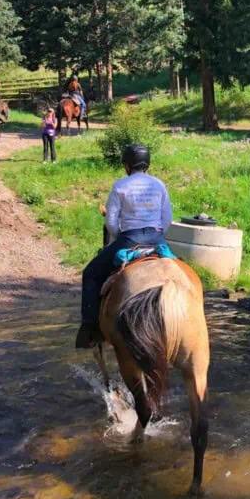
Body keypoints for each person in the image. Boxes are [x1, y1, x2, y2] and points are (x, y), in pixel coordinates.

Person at [75, 143, 173, 348]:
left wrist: (121, 237)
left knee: (90, 273)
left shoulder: (120, 186)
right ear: (147, 164)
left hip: (129, 239)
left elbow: (110, 222)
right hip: (157, 238)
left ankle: (90, 328)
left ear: (126, 165)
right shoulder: (159, 185)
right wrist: (155, 235)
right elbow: (167, 219)